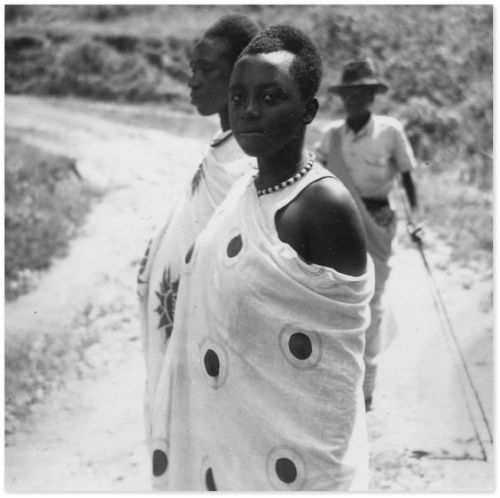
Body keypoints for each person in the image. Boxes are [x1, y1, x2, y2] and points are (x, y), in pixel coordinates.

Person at [150, 25, 374, 491]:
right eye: (238, 96)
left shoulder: (322, 205)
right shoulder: (241, 193)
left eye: (271, 97)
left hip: (299, 462)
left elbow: (333, 375)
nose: (249, 110)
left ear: (307, 110)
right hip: (234, 449)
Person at [137, 14, 260, 450]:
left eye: (206, 71)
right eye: (192, 69)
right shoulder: (221, 150)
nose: (192, 81)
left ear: (238, 78)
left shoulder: (247, 162)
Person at [314, 58, 419, 410]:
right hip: (338, 223)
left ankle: (366, 390)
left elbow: (406, 179)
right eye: (350, 94)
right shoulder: (330, 136)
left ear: (373, 96)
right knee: (338, 298)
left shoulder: (390, 131)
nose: (355, 100)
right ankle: (338, 382)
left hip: (377, 221)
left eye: (363, 93)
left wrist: (416, 219)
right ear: (343, 98)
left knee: (372, 303)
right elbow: (316, 178)